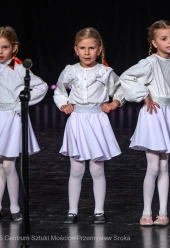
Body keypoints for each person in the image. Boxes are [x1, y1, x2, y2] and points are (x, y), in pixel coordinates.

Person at [53, 27, 125, 224]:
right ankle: (72, 211)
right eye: (83, 48)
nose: (87, 53)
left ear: (99, 49)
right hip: (77, 120)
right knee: (76, 169)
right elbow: (59, 90)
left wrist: (114, 103)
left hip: (96, 120)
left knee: (97, 169)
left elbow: (120, 90)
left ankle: (99, 211)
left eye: (91, 48)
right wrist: (64, 104)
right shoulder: (70, 70)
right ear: (76, 49)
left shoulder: (105, 72)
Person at [119, 20, 170, 226]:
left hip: (166, 114)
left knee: (165, 166)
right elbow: (127, 76)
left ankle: (163, 213)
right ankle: (147, 211)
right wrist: (144, 94)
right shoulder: (150, 62)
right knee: (153, 167)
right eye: (164, 38)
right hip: (153, 114)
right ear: (155, 42)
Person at [0, 26, 48, 222]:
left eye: (5, 47)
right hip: (0, 116)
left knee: (9, 164)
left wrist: (22, 102)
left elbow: (41, 86)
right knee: (1, 164)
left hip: (14, 117)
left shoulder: (19, 68)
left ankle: (15, 207)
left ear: (14, 48)